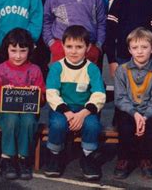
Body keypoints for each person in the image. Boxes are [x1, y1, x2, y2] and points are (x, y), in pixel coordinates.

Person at [44, 25, 106, 180]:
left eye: (79, 47)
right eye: (69, 46)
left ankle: (88, 157)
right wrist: (68, 113)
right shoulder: (57, 67)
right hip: (62, 109)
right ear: (62, 46)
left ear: (88, 47)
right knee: (58, 124)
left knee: (92, 125)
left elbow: (99, 94)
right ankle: (55, 155)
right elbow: (51, 93)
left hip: (85, 110)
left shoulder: (92, 69)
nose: (73, 51)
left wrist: (83, 114)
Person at [0, 28, 45, 180]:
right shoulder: (0, 70)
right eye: (13, 50)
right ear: (7, 50)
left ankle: (23, 159)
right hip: (4, 114)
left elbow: (43, 99)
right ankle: (8, 158)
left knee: (29, 121)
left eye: (23, 51)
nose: (18, 56)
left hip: (27, 112)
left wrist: (36, 94)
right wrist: (4, 94)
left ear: (29, 50)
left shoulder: (35, 70)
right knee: (11, 119)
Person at [113, 28, 152, 180]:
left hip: (149, 112)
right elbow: (120, 98)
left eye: (144, 47)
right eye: (135, 48)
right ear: (129, 49)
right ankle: (124, 158)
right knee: (125, 125)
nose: (140, 51)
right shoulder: (121, 70)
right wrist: (135, 114)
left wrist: (144, 116)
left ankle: (146, 159)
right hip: (129, 111)